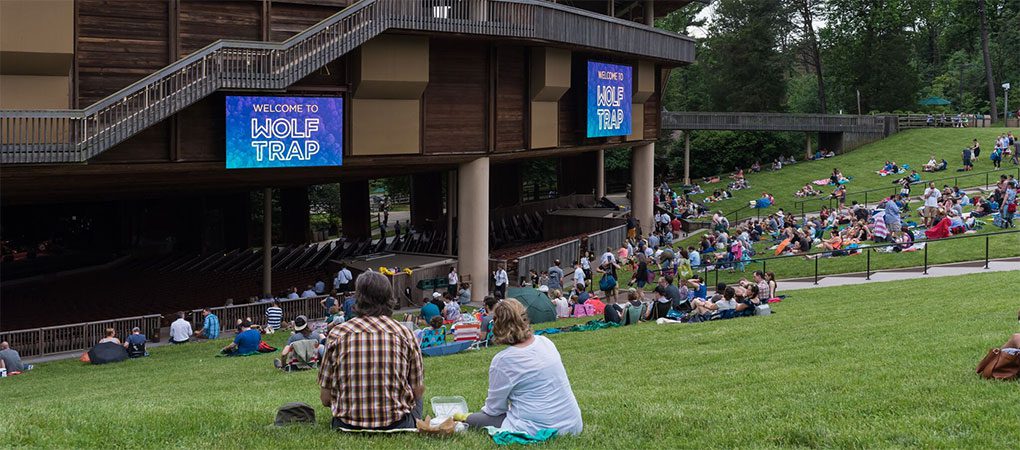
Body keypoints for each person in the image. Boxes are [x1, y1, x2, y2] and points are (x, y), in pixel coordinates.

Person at [319, 271, 424, 431]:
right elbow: (417, 391)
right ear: (389, 297)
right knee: (419, 391)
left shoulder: (337, 334)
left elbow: (325, 399)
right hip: (399, 424)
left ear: (358, 297)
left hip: (345, 424)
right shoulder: (404, 333)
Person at [464, 299, 582, 436]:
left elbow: (494, 409)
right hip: (573, 424)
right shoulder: (545, 342)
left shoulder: (503, 360)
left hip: (539, 428)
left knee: (471, 419)